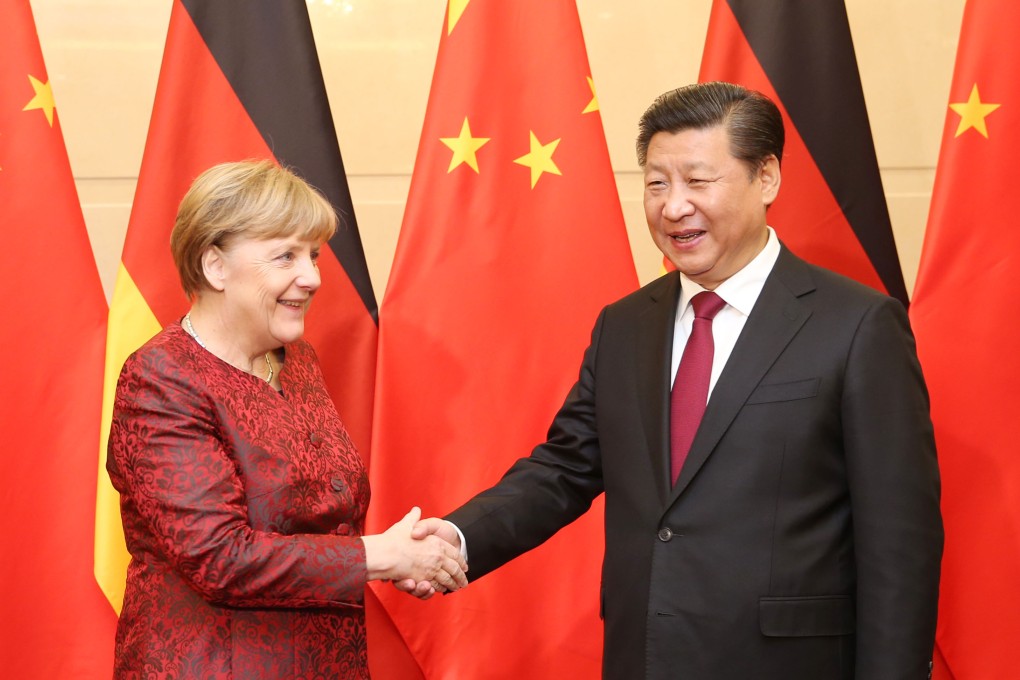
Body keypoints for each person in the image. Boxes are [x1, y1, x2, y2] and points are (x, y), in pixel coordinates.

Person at [405, 82, 943, 678]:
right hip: (645, 657)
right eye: (657, 183)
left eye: (697, 181)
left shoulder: (857, 324)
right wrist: (457, 538)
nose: (673, 207)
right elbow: (564, 467)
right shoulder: (625, 325)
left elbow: (900, 541)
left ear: (766, 177)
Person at [107, 159, 466, 679]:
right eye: (285, 256)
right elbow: (220, 557)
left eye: (313, 255)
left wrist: (401, 553)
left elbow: (323, 519)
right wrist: (379, 556)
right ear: (215, 266)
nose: (313, 277)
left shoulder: (297, 361)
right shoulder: (161, 379)